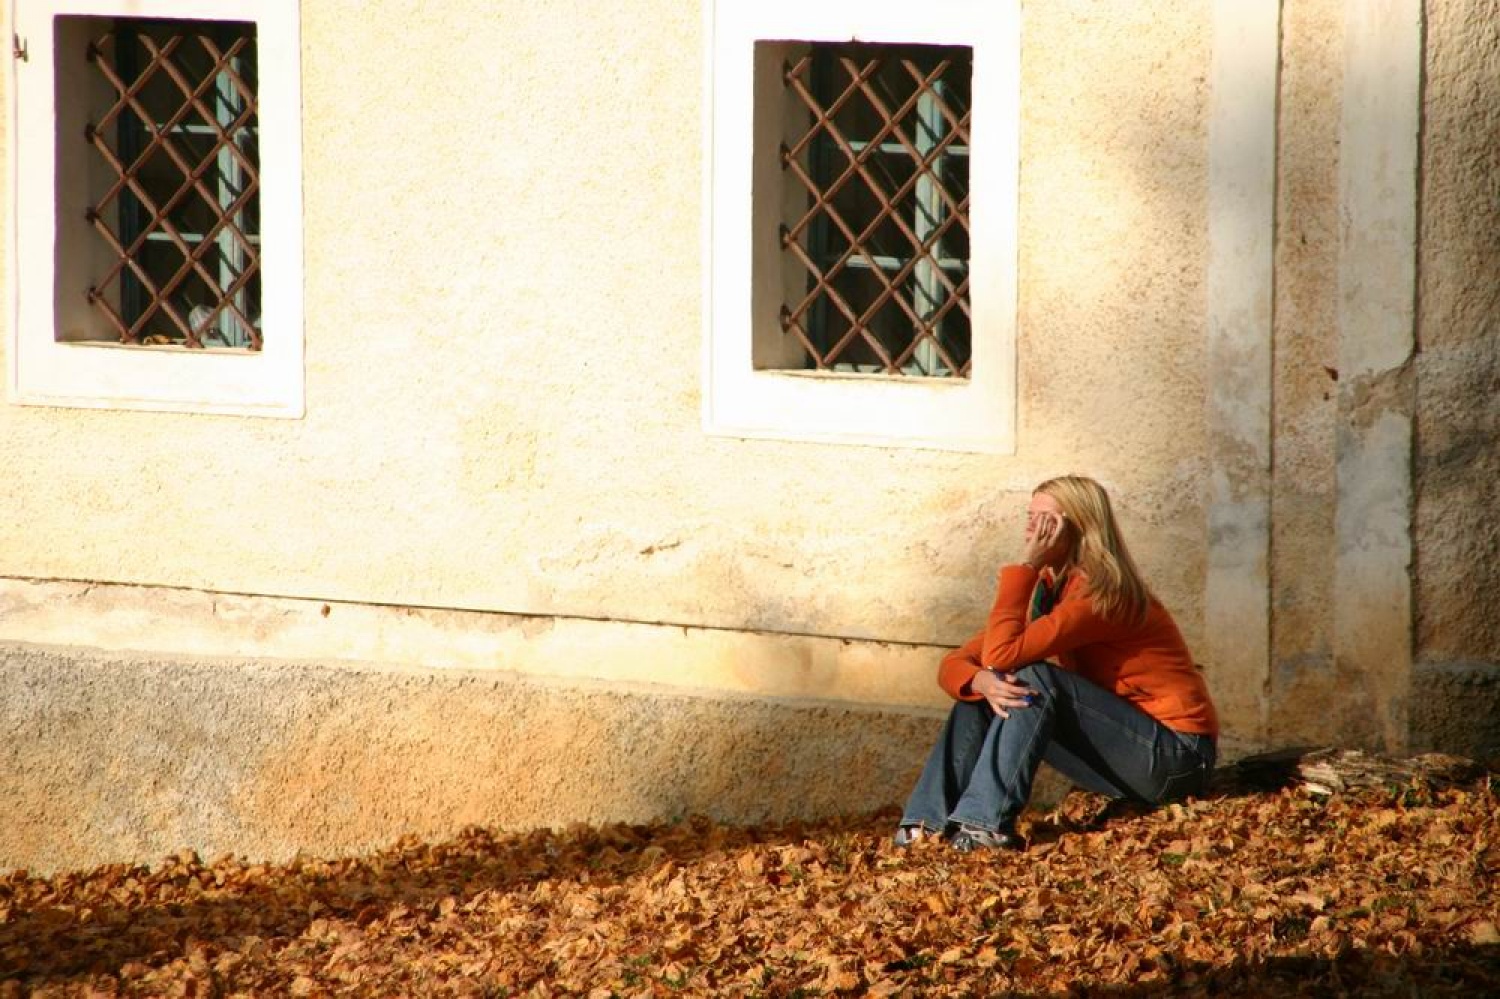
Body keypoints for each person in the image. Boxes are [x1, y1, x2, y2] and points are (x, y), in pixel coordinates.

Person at [896, 475, 1219, 852]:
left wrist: (1025, 568)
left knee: (1032, 677)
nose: (1031, 528)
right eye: (1029, 516)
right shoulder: (1056, 591)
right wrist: (980, 682)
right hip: (1128, 755)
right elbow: (958, 662)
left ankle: (985, 826)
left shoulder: (1101, 595)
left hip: (1177, 759)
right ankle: (923, 825)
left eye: (1045, 520)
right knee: (989, 688)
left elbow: (1002, 655)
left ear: (1078, 528)